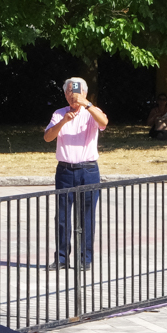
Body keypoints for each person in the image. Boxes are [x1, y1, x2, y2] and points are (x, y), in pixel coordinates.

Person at [44, 78, 109, 268]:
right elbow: (48, 137)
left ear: (85, 93)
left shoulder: (91, 112)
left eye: (77, 94)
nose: (73, 98)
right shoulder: (59, 113)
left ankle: (85, 259)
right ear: (65, 95)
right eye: (69, 94)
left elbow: (104, 122)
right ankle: (62, 258)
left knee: (87, 215)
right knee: (62, 216)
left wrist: (87, 105)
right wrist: (64, 121)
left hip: (88, 170)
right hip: (65, 170)